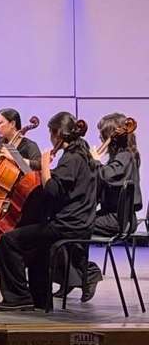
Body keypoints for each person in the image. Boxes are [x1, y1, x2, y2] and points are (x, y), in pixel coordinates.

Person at [0, 111, 97, 311]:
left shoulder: (71, 158)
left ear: (58, 134)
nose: (50, 137)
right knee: (36, 246)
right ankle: (40, 299)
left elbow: (52, 191)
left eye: (51, 133)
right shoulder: (82, 154)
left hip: (68, 226)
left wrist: (45, 165)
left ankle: (18, 297)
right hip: (79, 223)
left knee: (9, 240)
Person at [74, 112, 141, 299]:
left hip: (118, 219)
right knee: (73, 225)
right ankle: (73, 278)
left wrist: (95, 161)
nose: (101, 139)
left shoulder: (125, 156)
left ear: (113, 137)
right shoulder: (122, 156)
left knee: (74, 226)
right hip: (114, 216)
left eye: (103, 136)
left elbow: (107, 176)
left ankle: (87, 273)